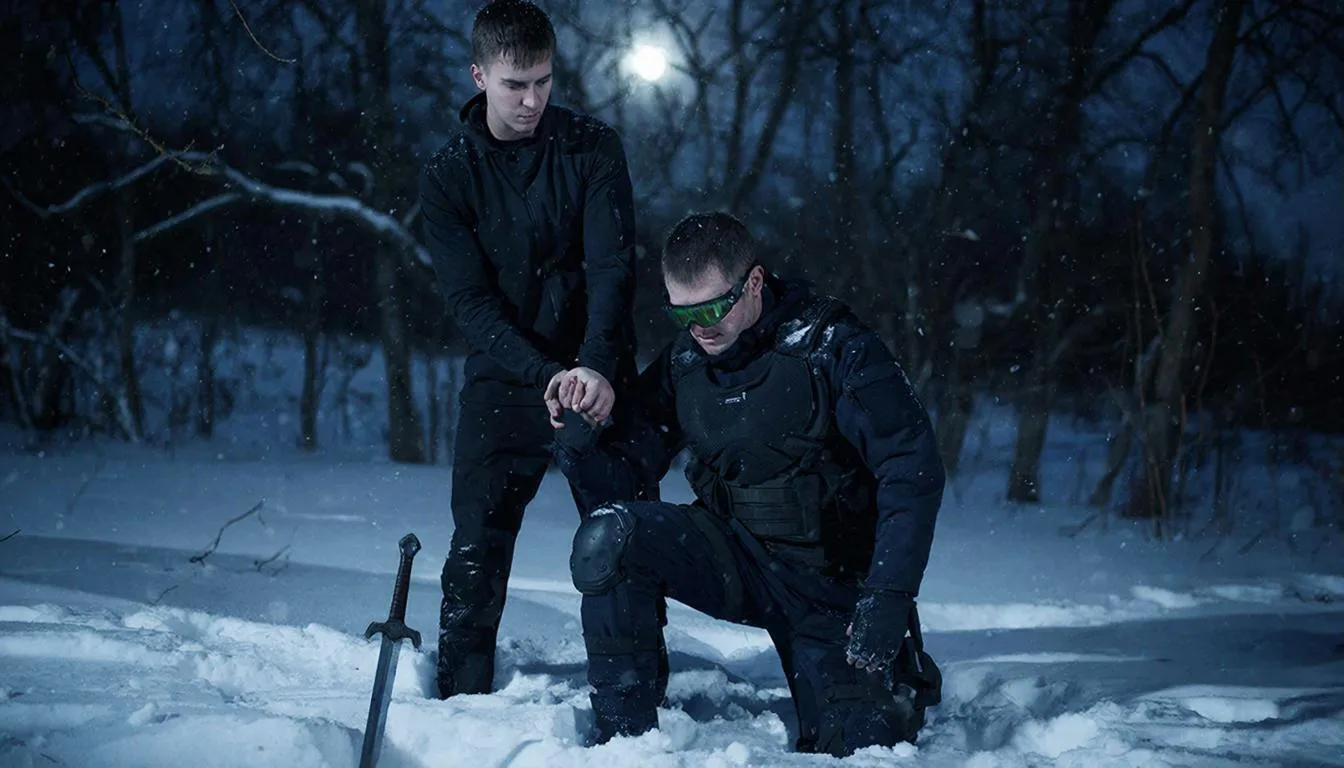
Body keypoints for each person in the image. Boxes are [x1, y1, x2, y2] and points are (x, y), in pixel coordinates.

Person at [547, 212, 945, 756]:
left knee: (859, 749)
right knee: (608, 537)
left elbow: (912, 469)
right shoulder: (686, 361)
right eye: (683, 313)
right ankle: (625, 747)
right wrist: (580, 440)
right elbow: (625, 476)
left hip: (831, 583)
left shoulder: (835, 347)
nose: (700, 327)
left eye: (713, 308)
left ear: (754, 282)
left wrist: (889, 595)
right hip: (736, 559)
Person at [418, 0, 638, 699]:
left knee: (623, 539)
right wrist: (543, 371)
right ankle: (457, 704)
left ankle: (633, 698)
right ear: (479, 75)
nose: (532, 100)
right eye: (515, 84)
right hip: (505, 375)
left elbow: (612, 269)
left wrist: (594, 365)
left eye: (543, 81)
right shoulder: (448, 175)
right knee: (476, 544)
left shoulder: (592, 147)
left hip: (597, 370)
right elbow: (469, 304)